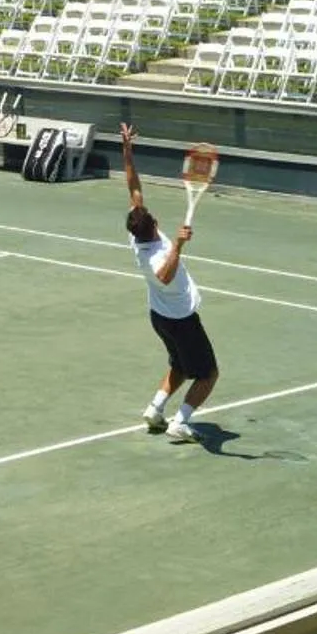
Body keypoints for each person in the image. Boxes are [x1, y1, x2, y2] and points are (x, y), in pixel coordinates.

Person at [119, 121, 218, 443]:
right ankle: (181, 421)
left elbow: (133, 185)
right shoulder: (156, 257)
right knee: (208, 374)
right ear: (154, 226)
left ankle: (155, 409)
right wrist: (178, 244)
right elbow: (165, 276)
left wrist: (127, 150)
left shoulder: (137, 234)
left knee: (179, 365)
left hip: (159, 317)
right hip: (181, 320)